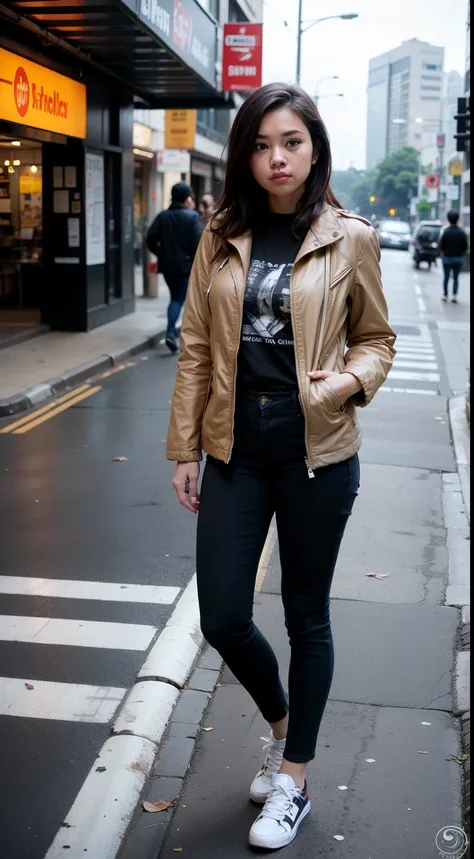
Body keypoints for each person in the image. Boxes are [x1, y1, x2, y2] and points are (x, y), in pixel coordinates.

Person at [166, 83, 396, 851]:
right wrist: (184, 448)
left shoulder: (349, 236)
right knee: (223, 614)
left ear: (314, 147)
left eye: (291, 142)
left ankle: (293, 779)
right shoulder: (221, 232)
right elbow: (197, 343)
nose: (276, 158)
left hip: (316, 454)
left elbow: (377, 340)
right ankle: (285, 725)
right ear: (245, 155)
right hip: (235, 448)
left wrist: (349, 379)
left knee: (307, 615)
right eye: (262, 145)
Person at [146, 182, 203, 352]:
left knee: (174, 297)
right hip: (186, 267)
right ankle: (171, 332)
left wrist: (162, 254)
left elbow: (150, 239)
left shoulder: (162, 216)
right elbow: (198, 243)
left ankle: (172, 331)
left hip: (168, 266)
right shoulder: (192, 216)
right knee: (179, 299)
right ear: (187, 198)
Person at [439, 210, 468, 303]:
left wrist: (442, 255)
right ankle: (454, 296)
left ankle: (445, 295)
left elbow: (441, 246)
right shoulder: (462, 233)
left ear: (448, 219)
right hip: (458, 258)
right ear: (457, 219)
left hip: (447, 258)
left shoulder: (446, 232)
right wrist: (462, 256)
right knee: (456, 278)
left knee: (446, 277)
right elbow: (465, 247)